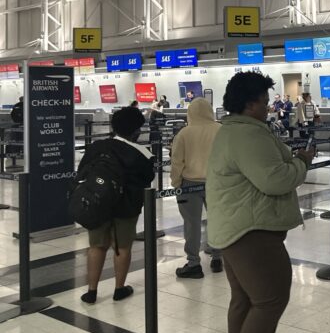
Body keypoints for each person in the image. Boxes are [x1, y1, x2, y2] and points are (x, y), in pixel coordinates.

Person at [207, 72, 314, 333]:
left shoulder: (231, 130)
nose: (268, 107)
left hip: (234, 227)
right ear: (250, 103)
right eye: (265, 102)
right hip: (251, 231)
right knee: (271, 299)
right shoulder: (248, 134)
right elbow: (275, 180)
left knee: (244, 300)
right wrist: (302, 162)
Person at [78, 107, 154, 304]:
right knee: (122, 247)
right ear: (136, 131)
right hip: (126, 208)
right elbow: (147, 180)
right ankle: (119, 289)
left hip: (97, 204)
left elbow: (82, 172)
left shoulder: (97, 147)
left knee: (96, 246)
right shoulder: (142, 153)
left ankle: (91, 291)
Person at [171, 98, 223, 278]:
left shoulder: (184, 133)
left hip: (189, 184)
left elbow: (177, 162)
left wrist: (176, 183)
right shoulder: (220, 130)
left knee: (191, 224)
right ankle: (217, 257)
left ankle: (193, 263)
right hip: (216, 183)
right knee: (217, 219)